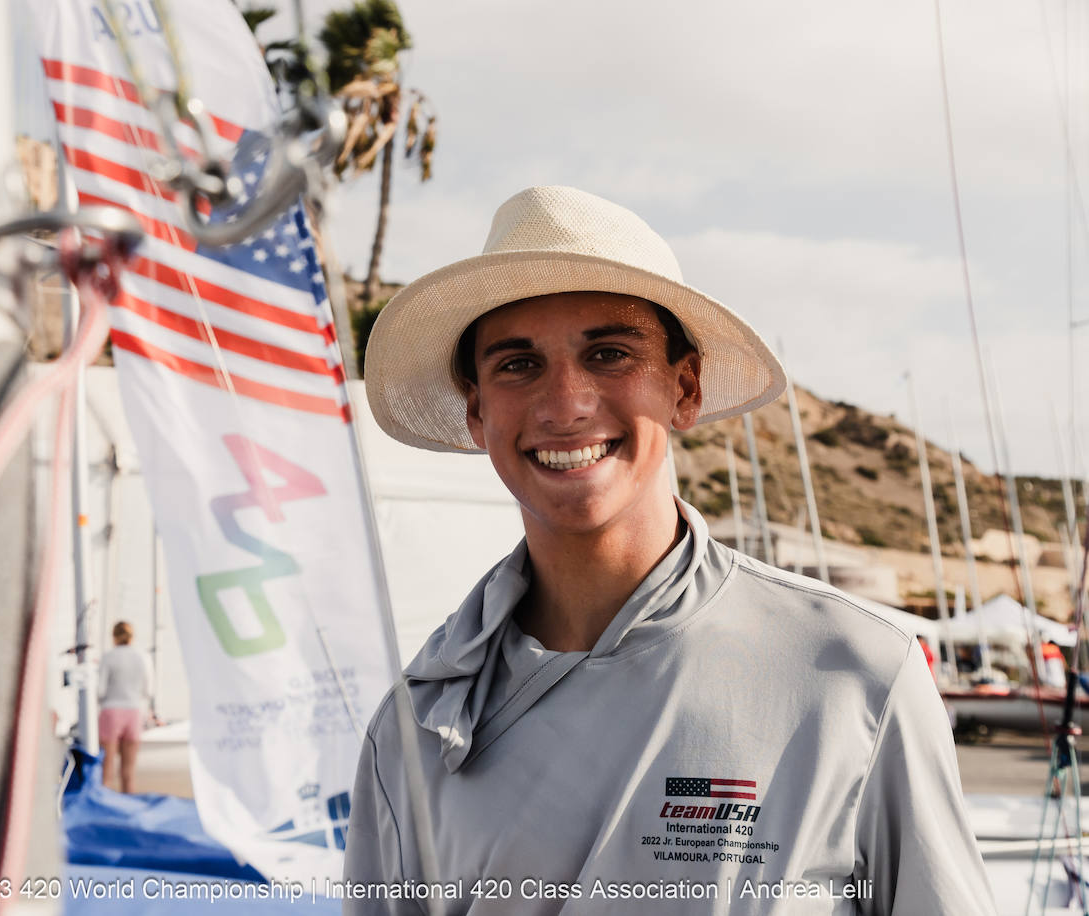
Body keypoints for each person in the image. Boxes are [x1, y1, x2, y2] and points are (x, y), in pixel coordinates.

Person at [345, 186, 995, 913]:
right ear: (476, 412)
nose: (566, 404)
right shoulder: (413, 729)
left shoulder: (854, 677)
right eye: (518, 365)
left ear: (684, 389)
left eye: (609, 354)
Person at [98, 620, 154, 793]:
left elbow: (100, 690)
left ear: (114, 637)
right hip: (134, 712)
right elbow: (148, 690)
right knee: (128, 774)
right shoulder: (143, 657)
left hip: (111, 711)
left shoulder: (108, 657)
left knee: (106, 773)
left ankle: (103, 810)